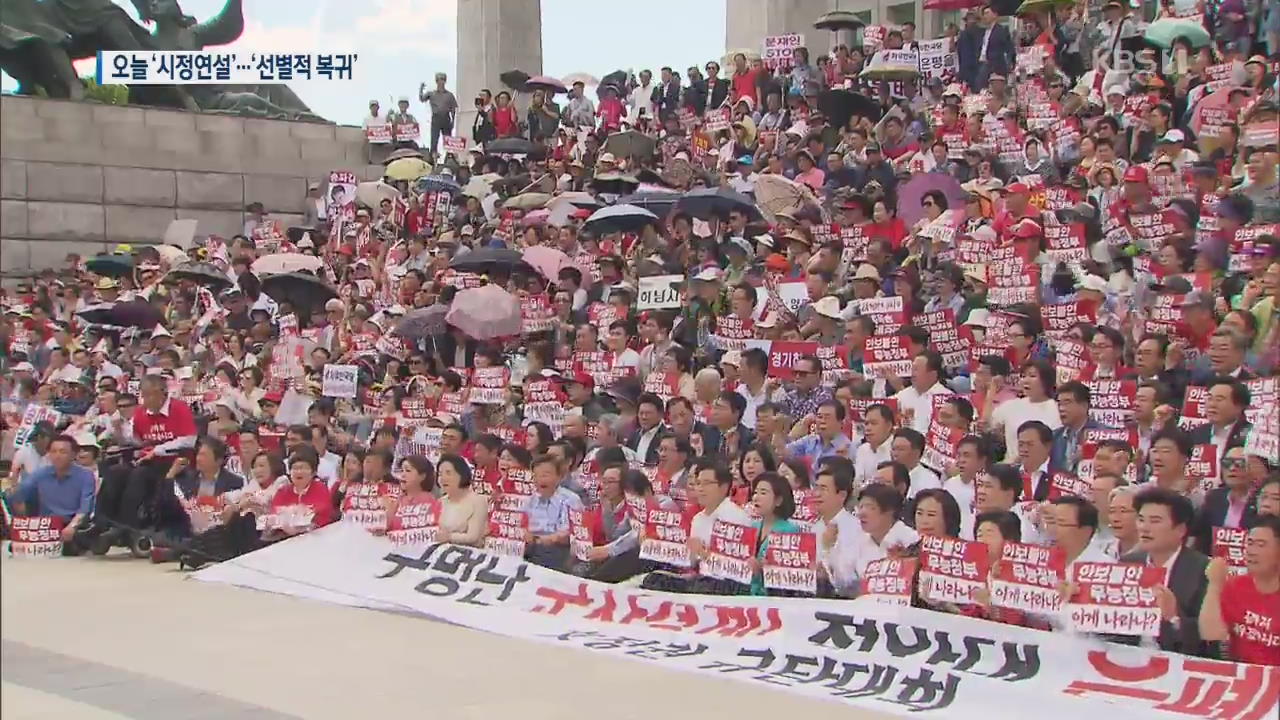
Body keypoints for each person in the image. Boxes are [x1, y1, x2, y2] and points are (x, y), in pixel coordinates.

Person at [1121, 488, 1210, 655]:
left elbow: (1209, 641)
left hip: (1176, 663)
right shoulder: (1128, 563)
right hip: (1127, 657)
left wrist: (1174, 617)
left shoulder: (1203, 570)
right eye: (1141, 520)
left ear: (1181, 530)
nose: (1144, 528)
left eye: (1155, 521)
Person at [1198, 516, 1280, 666]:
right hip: (1239, 677)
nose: (1251, 551)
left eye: (1261, 545)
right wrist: (1215, 585)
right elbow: (1211, 635)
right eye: (1250, 543)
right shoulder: (1235, 586)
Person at [827, 483, 920, 596]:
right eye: (860, 507)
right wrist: (829, 548)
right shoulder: (859, 540)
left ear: (889, 511)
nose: (862, 514)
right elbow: (844, 583)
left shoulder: (911, 540)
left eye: (870, 507)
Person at [9, 434, 95, 552]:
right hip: (46, 525)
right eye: (53, 452)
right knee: (15, 547)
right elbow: (18, 495)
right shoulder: (40, 474)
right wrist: (24, 522)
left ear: (73, 455)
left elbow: (85, 509)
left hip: (72, 524)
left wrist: (71, 527)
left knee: (74, 545)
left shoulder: (86, 476)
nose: (57, 456)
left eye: (62, 452)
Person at [522, 453, 584, 569]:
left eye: (545, 475)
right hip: (529, 547)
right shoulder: (528, 499)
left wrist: (540, 540)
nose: (539, 480)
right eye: (535, 476)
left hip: (559, 550)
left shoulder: (571, 499)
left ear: (560, 476)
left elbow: (570, 535)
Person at [748, 472, 805, 596]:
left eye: (763, 493)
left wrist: (764, 570)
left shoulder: (790, 530)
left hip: (773, 599)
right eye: (755, 492)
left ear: (778, 500)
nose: (756, 497)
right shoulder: (752, 527)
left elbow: (792, 575)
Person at [436, 454, 487, 547]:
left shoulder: (478, 501)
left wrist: (450, 537)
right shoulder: (440, 502)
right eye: (440, 474)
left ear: (461, 475)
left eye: (448, 473)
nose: (443, 478)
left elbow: (473, 537)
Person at [419, 72, 457, 156]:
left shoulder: (449, 95)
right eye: (439, 80)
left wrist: (453, 122)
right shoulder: (432, 94)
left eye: (443, 80)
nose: (441, 82)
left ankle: (449, 157)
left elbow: (453, 109)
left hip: (446, 118)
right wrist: (421, 89)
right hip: (436, 118)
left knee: (448, 140)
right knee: (434, 139)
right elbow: (422, 99)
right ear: (436, 81)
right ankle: (433, 157)